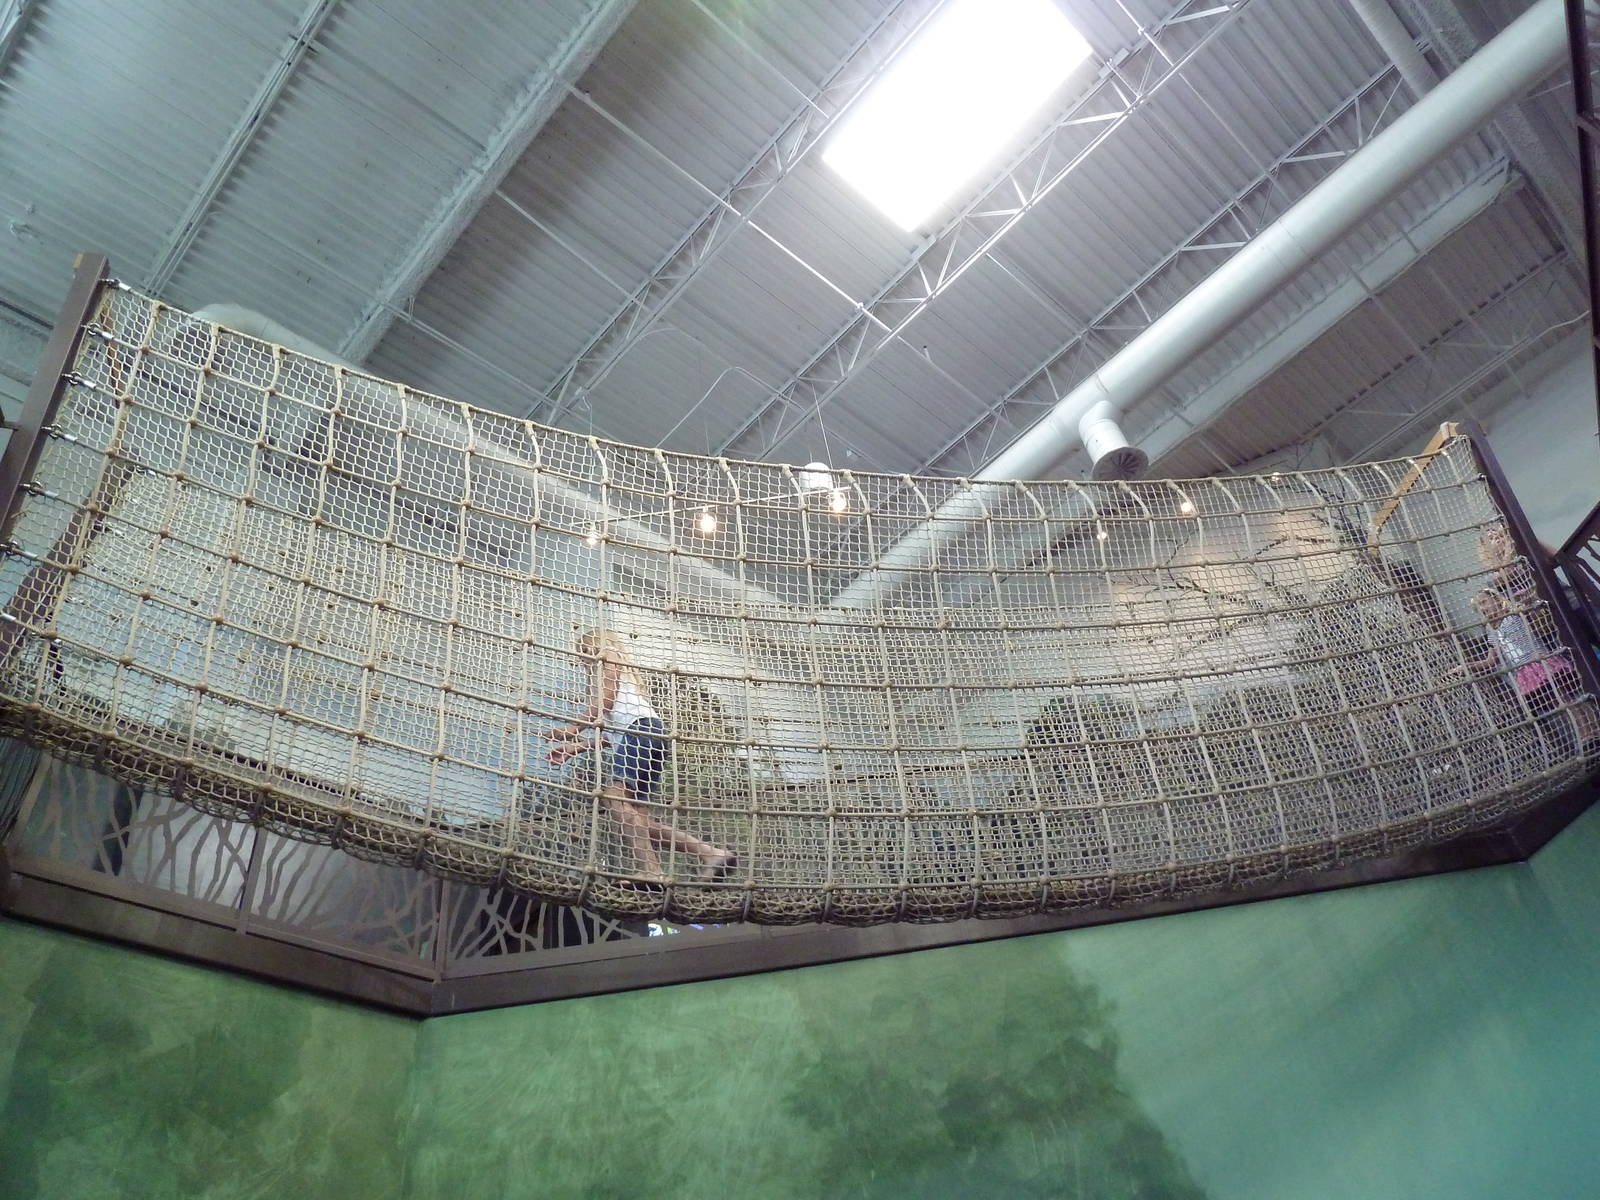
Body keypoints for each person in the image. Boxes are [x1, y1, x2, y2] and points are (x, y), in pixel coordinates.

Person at [547, 629, 736, 883]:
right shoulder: (626, 684)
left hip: (642, 732)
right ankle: (711, 854)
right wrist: (576, 747)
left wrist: (571, 728)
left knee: (614, 798)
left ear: (593, 647)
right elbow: (613, 736)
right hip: (648, 736)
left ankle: (651, 870)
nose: (581, 661)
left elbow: (605, 701)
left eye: (583, 652)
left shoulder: (607, 658)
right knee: (641, 823)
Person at [1450, 590, 1598, 752]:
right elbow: (1491, 661)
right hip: (1526, 673)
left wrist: (1526, 597)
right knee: (1559, 702)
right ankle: (1586, 733)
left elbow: (1528, 607)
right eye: (1478, 607)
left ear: (1497, 600)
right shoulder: (1490, 633)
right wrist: (1467, 666)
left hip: (1539, 663)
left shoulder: (1513, 616)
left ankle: (1590, 732)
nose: (1482, 608)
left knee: (1567, 698)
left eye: (1484, 602)